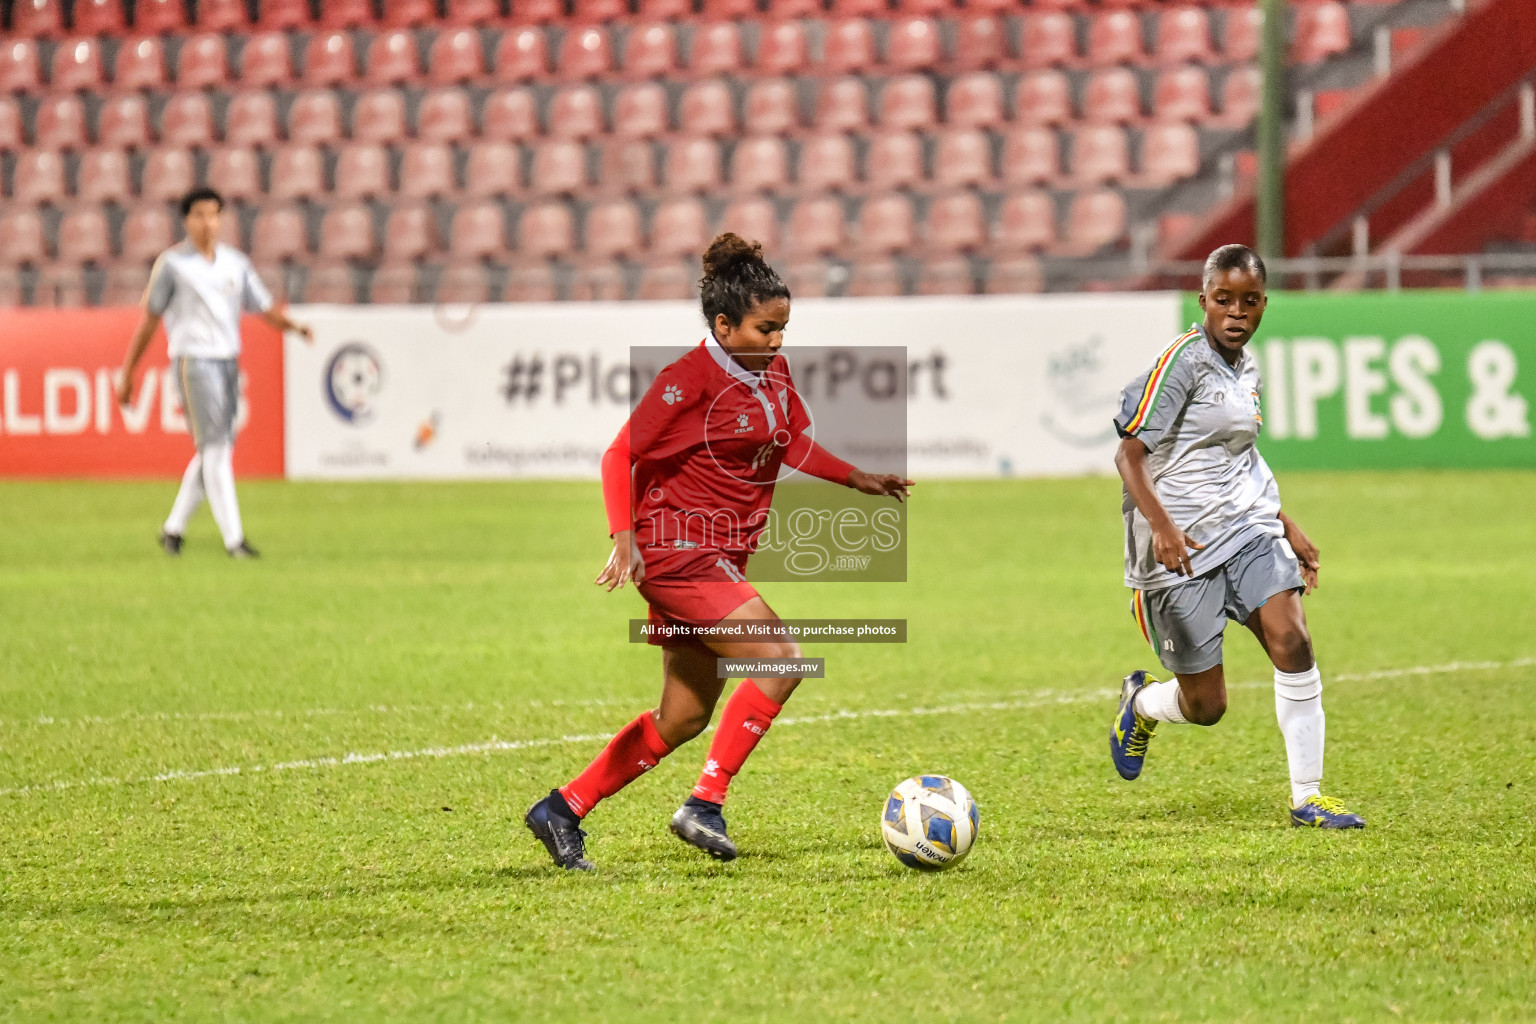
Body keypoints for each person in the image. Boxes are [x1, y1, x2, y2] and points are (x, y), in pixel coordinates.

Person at [525, 234, 914, 871]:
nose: (778, 342)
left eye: (784, 328)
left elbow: (787, 444)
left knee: (683, 716)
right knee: (783, 660)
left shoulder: (772, 372)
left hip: (718, 558)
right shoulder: (685, 382)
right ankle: (705, 803)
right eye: (766, 329)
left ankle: (562, 808)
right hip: (675, 551)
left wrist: (857, 478)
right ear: (724, 325)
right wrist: (623, 539)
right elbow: (618, 454)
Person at [1107, 244, 1365, 829]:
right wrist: (1164, 529)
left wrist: (1283, 521)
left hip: (1246, 533)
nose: (1236, 312)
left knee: (1292, 639)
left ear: (1264, 306)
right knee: (1207, 707)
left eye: (1249, 302)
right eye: (1224, 300)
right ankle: (1142, 703)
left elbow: (1238, 457)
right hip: (1177, 553)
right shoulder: (1182, 362)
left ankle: (1308, 796)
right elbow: (1129, 454)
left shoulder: (1248, 368)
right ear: (1203, 301)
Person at [117, 187, 313, 558]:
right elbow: (149, 320)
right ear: (186, 221)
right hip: (194, 360)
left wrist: (294, 327)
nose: (208, 223)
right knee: (217, 447)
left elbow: (263, 305)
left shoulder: (234, 263)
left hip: (227, 361)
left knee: (214, 448)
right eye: (199, 215)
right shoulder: (172, 265)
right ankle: (234, 540)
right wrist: (127, 371)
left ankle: (173, 530)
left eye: (214, 215)